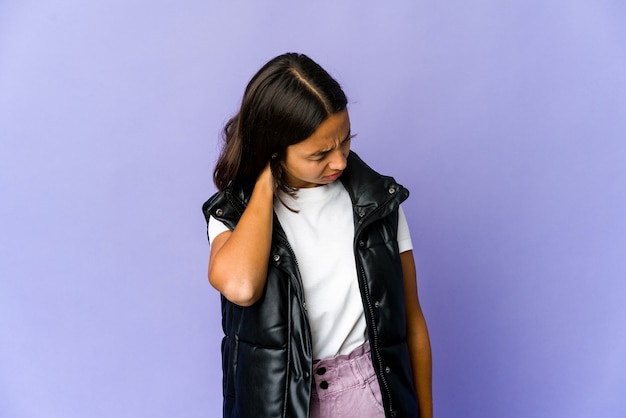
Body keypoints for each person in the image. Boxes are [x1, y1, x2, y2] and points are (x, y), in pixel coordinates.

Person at [202, 53, 432, 418]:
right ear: (274, 150)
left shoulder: (376, 202)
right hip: (278, 405)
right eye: (320, 153)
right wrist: (264, 182)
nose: (339, 161)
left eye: (345, 141)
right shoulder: (233, 213)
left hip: (368, 393)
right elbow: (242, 286)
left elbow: (413, 321)